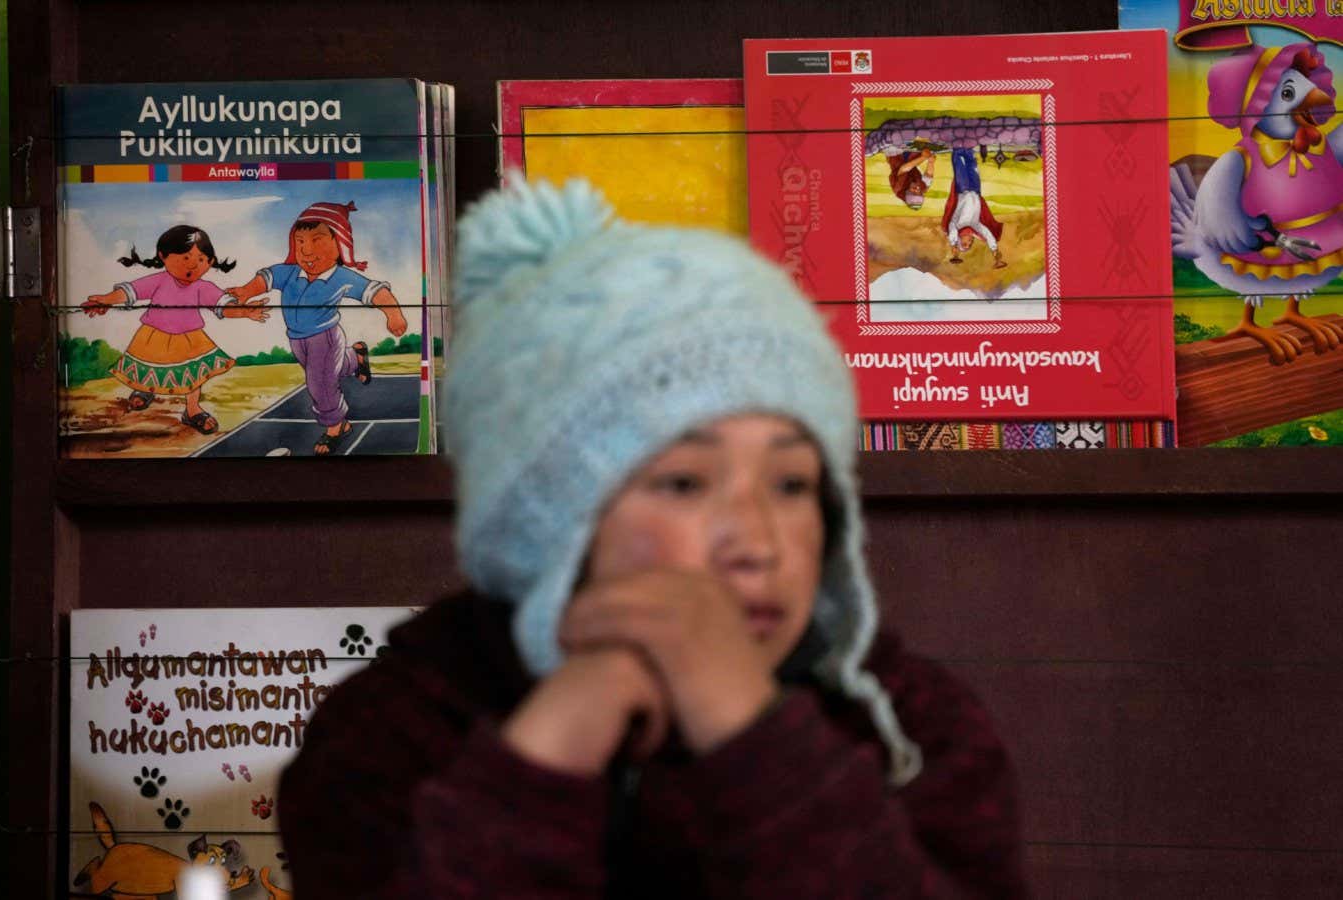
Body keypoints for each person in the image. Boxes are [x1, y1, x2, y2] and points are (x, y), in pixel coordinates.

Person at [277, 179, 1026, 898]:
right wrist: (551, 752)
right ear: (547, 522)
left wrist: (749, 729)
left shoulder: (906, 724)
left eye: (793, 484)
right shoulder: (393, 733)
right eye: (684, 483)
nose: (759, 543)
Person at [223, 201, 408, 454]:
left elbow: (377, 292)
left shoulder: (342, 277)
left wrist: (394, 315)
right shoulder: (289, 273)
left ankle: (337, 425)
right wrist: (245, 292)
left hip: (325, 337)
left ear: (339, 244)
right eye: (300, 242)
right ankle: (356, 357)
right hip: (297, 339)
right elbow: (265, 278)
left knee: (319, 382)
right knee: (331, 370)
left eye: (317, 240)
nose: (306, 250)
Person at [80, 224, 268, 434]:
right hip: (153, 335)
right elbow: (131, 291)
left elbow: (224, 307)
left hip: (190, 338)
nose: (193, 265)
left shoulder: (203, 287)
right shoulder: (158, 280)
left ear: (210, 262)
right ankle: (145, 391)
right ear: (163, 256)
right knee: (148, 366)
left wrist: (244, 312)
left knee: (192, 375)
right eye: (185, 257)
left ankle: (192, 410)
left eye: (200, 260)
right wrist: (106, 300)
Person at [941, 148, 1006, 268]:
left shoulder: (956, 226)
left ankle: (957, 145)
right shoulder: (975, 226)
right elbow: (987, 235)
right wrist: (994, 249)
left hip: (963, 188)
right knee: (972, 163)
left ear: (960, 239)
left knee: (959, 162)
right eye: (970, 243)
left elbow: (952, 231)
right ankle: (968, 146)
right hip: (975, 190)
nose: (970, 241)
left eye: (965, 243)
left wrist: (954, 244)